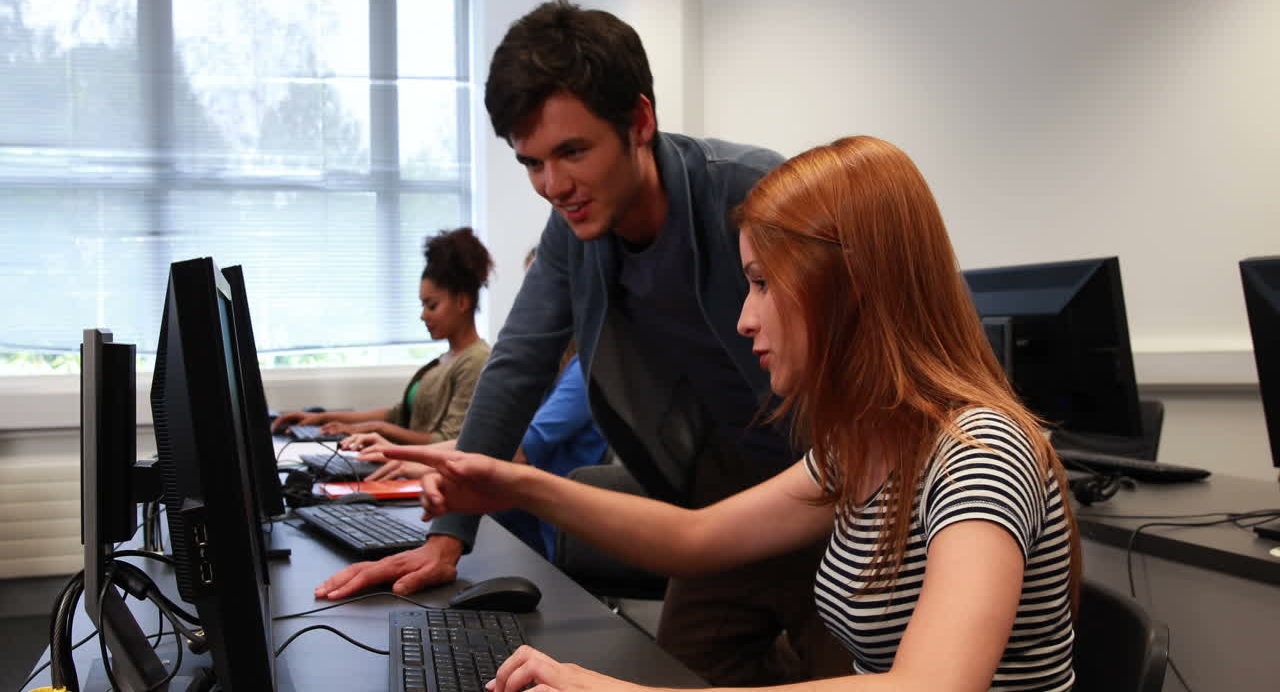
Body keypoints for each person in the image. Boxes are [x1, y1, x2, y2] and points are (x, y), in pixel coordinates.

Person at [381, 136, 1082, 692]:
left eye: (762, 284)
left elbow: (933, 686)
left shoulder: (979, 451)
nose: (744, 319)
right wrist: (514, 483)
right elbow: (696, 539)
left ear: (852, 287)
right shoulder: (862, 449)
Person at [313, 0, 848, 685]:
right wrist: (448, 538)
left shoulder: (751, 193)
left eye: (572, 152)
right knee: (676, 671)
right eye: (532, 163)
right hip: (721, 491)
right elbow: (516, 368)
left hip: (832, 485)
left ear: (641, 122)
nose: (553, 186)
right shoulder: (573, 236)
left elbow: (880, 335)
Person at [363, 247, 608, 560]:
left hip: (546, 532)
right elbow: (494, 440)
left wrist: (427, 461)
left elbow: (519, 449)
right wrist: (415, 458)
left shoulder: (586, 365)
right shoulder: (554, 368)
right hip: (513, 516)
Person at [271, 227, 493, 446]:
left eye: (432, 305)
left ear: (463, 302)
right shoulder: (447, 358)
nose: (423, 315)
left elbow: (448, 441)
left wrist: (374, 429)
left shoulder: (475, 361)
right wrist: (325, 418)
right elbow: (396, 416)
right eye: (422, 305)